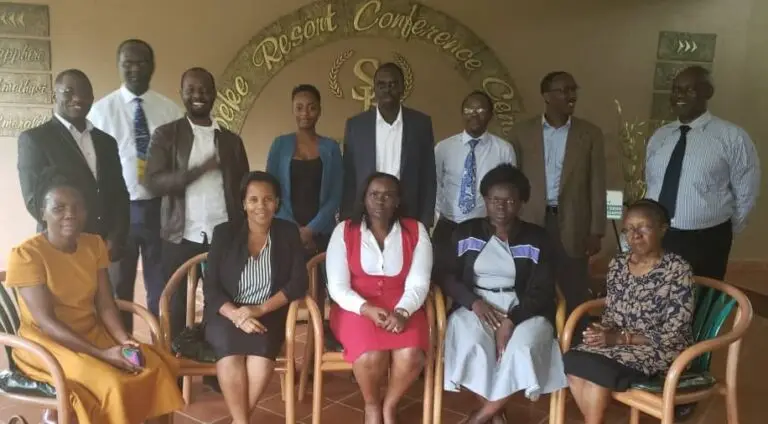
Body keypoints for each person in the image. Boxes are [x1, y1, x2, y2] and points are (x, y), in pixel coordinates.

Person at [3, 172, 183, 424]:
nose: (70, 214)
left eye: (77, 207)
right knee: (111, 383)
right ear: (43, 213)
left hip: (91, 331)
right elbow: (47, 323)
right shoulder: (26, 255)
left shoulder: (93, 245)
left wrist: (123, 340)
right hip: (47, 345)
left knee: (154, 366)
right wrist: (103, 354)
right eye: (59, 208)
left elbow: (105, 304)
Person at [436, 164, 567, 424]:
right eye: (495, 199)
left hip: (525, 308)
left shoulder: (538, 238)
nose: (501, 206)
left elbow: (542, 288)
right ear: (485, 200)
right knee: (471, 342)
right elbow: (446, 275)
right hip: (476, 305)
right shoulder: (465, 232)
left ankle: (482, 416)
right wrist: (474, 303)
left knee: (523, 347)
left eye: (509, 201)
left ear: (521, 202)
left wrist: (512, 320)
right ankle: (496, 415)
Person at [563, 199, 695, 424]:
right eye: (629, 229)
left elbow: (674, 333)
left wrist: (620, 338)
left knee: (596, 372)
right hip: (618, 342)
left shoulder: (678, 270)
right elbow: (612, 314)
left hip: (659, 348)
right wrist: (601, 330)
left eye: (644, 228)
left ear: (662, 229)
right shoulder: (618, 264)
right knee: (572, 362)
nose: (635, 235)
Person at [144, 67, 250, 340]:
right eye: (190, 90)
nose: (198, 95)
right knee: (176, 308)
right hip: (179, 236)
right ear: (181, 94)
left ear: (214, 94)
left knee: (223, 304)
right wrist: (199, 170)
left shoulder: (231, 141)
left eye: (204, 90)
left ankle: (217, 360)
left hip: (224, 235)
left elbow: (244, 188)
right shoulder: (166, 135)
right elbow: (153, 183)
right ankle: (175, 363)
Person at [88, 39, 184, 333]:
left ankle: (164, 346)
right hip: (119, 212)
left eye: (141, 62)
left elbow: (179, 161)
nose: (134, 68)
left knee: (163, 286)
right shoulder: (100, 112)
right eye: (127, 63)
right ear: (118, 65)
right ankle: (124, 348)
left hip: (160, 209)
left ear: (152, 66)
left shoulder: (169, 110)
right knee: (118, 287)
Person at [203, 171, 308, 424]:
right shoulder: (224, 233)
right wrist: (237, 316)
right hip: (226, 313)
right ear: (243, 203)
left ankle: (239, 421)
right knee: (229, 352)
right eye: (253, 199)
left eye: (268, 199)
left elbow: (298, 283)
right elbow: (211, 288)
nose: (261, 206)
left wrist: (259, 310)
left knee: (262, 351)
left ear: (277, 202)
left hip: (268, 311)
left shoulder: (287, 233)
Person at [327, 172, 432, 424]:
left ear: (398, 201)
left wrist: (403, 311)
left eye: (388, 195)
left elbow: (419, 283)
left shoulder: (415, 230)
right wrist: (366, 309)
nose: (380, 201)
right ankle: (372, 405)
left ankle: (390, 405)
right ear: (364, 198)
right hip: (355, 308)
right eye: (374, 194)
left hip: (404, 306)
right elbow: (338, 287)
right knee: (369, 356)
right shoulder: (345, 231)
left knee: (411, 355)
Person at [509, 71, 606, 329]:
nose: (571, 96)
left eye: (573, 90)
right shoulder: (521, 133)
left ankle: (572, 340)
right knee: (529, 281)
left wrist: (596, 230)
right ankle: (532, 333)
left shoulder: (590, 133)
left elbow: (598, 183)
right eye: (564, 91)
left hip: (573, 223)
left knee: (573, 285)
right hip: (531, 219)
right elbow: (513, 181)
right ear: (546, 96)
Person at [645, 65, 760, 281]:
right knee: (658, 294)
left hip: (706, 240)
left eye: (689, 90)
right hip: (660, 236)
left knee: (702, 297)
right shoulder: (660, 136)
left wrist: (721, 228)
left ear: (708, 92)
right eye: (676, 89)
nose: (679, 95)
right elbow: (651, 182)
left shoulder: (732, 137)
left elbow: (747, 191)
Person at [17, 69, 129, 263]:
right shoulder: (35, 139)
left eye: (84, 92)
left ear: (92, 97)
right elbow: (34, 200)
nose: (77, 98)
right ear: (55, 95)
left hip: (103, 245)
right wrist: (71, 237)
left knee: (103, 285)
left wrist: (115, 237)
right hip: (61, 246)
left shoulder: (106, 142)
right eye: (68, 92)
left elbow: (118, 193)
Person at [340, 62, 436, 228]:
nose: (387, 89)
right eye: (381, 85)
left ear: (402, 88)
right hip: (367, 214)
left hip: (408, 212)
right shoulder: (356, 125)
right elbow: (349, 176)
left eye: (392, 84)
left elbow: (428, 176)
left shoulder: (420, 124)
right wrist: (348, 218)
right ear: (374, 89)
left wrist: (426, 220)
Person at [433, 90, 517, 254]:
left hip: (485, 227)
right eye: (469, 110)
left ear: (490, 115)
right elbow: (434, 184)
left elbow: (511, 191)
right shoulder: (444, 148)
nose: (474, 115)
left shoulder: (504, 150)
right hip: (448, 226)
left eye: (480, 110)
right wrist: (438, 217)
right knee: (443, 269)